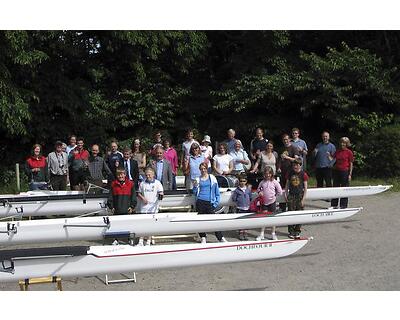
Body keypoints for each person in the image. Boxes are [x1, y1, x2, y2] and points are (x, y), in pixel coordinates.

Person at [193, 162, 227, 244]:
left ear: (207, 169)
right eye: (201, 169)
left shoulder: (212, 178)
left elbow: (217, 192)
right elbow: (195, 192)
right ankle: (203, 237)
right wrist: (195, 187)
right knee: (200, 221)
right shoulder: (197, 179)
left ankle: (220, 237)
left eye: (204, 168)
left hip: (209, 202)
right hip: (200, 202)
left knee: (213, 221)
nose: (203, 170)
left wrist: (215, 203)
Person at [136, 167, 164, 246]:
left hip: (153, 207)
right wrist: (143, 198)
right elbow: (138, 193)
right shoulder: (143, 183)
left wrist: (160, 196)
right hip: (144, 207)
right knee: (142, 224)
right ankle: (140, 240)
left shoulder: (157, 183)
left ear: (153, 175)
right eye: (146, 175)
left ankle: (148, 240)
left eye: (149, 175)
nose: (148, 176)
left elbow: (161, 193)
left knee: (151, 224)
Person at [256, 166, 283, 241]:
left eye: (269, 174)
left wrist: (274, 195)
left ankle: (273, 233)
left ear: (272, 174)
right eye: (266, 173)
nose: (267, 175)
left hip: (272, 202)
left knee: (273, 218)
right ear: (264, 174)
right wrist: (260, 192)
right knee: (264, 218)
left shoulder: (275, 182)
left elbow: (280, 191)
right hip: (264, 203)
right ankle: (261, 234)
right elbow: (258, 189)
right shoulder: (262, 182)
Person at [285, 159, 309, 239]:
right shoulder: (290, 173)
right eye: (294, 165)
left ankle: (297, 230)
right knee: (290, 213)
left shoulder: (303, 174)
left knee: (299, 213)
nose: (296, 166)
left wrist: (303, 199)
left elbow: (305, 188)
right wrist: (285, 193)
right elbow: (287, 184)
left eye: (298, 165)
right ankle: (291, 231)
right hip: (291, 195)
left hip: (300, 195)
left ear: (300, 165)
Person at [330, 137, 354, 208]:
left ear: (347, 144)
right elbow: (332, 159)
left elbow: (351, 163)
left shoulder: (349, 152)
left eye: (344, 143)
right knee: (335, 188)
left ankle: (343, 205)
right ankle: (334, 205)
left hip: (345, 171)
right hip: (336, 171)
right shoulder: (337, 151)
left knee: (344, 188)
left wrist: (350, 174)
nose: (342, 144)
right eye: (341, 142)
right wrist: (328, 156)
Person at [279, 134, 301, 211]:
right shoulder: (282, 148)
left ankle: (293, 207)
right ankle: (282, 207)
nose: (285, 141)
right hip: (283, 172)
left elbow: (297, 160)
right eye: (284, 139)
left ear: (290, 139)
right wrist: (279, 167)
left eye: (287, 139)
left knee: (292, 190)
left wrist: (287, 157)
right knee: (282, 189)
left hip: (292, 172)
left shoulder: (294, 148)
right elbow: (280, 160)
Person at [231, 174, 252, 240]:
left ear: (246, 181)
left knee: (246, 221)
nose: (242, 182)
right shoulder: (237, 190)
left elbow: (250, 197)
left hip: (247, 207)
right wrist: (238, 201)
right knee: (240, 221)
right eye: (241, 181)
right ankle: (240, 232)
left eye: (244, 181)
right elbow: (234, 198)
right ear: (239, 181)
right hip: (240, 208)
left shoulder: (248, 189)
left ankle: (245, 233)